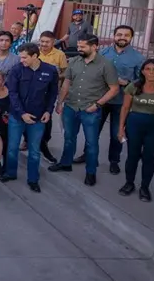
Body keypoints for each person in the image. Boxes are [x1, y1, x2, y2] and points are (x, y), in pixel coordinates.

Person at [49, 36, 120, 186]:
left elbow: (114, 89)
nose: (79, 50)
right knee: (69, 138)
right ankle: (65, 163)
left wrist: (98, 104)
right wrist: (60, 102)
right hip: (71, 106)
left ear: (94, 47)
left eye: (83, 47)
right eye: (79, 47)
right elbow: (66, 83)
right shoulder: (74, 62)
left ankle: (91, 172)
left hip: (91, 110)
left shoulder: (106, 65)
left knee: (91, 142)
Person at [79, 25, 145, 173]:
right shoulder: (102, 53)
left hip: (121, 102)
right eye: (119, 34)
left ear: (131, 38)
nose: (122, 37)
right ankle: (87, 155)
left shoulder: (138, 58)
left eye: (126, 35)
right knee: (92, 130)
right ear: (114, 36)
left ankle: (114, 161)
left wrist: (126, 82)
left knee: (117, 133)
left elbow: (142, 81)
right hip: (100, 100)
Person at [2, 43, 58, 192]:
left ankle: (33, 179)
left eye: (24, 57)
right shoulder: (16, 70)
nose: (22, 60)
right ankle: (10, 173)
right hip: (17, 116)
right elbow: (12, 94)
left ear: (34, 56)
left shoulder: (50, 71)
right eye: (20, 57)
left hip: (38, 118)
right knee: (12, 148)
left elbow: (53, 94)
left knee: (34, 151)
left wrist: (48, 111)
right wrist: (22, 114)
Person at [118, 58, 154, 202]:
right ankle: (129, 183)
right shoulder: (134, 86)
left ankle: (144, 187)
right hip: (135, 125)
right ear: (143, 71)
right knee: (132, 156)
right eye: (148, 69)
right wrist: (121, 129)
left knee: (149, 159)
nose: (151, 72)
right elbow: (125, 108)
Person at [37, 30, 68, 164]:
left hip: (50, 93)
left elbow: (65, 73)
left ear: (53, 42)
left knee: (47, 121)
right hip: (34, 93)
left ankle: (44, 142)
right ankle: (32, 142)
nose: (44, 44)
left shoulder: (59, 54)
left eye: (47, 42)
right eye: (42, 41)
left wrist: (52, 76)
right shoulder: (34, 52)